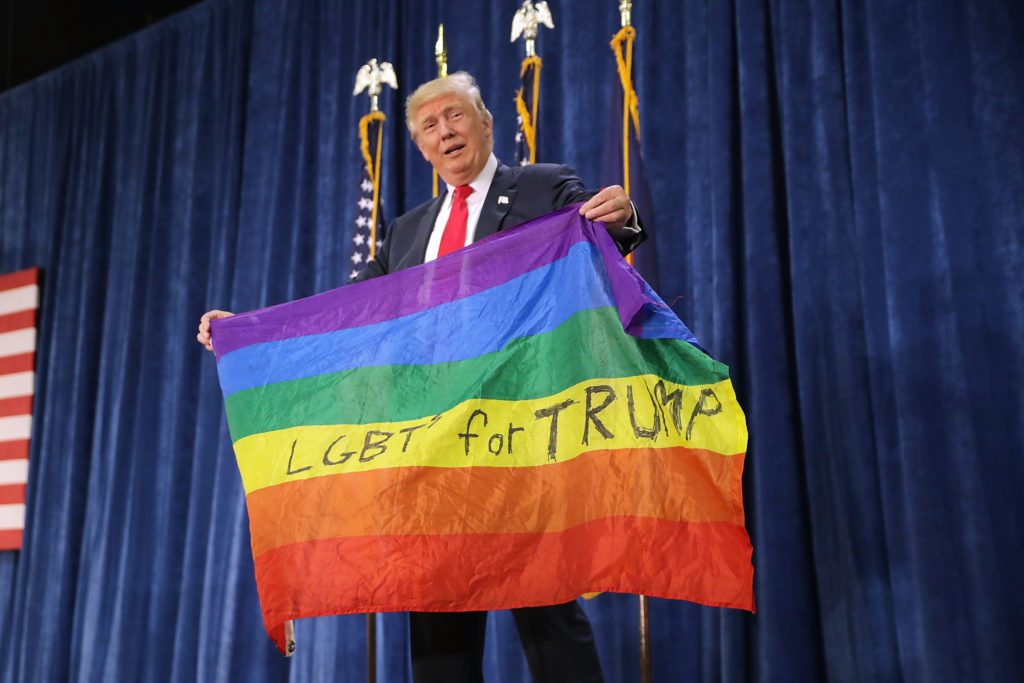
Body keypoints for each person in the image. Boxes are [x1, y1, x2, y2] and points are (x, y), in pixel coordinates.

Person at [198, 72, 646, 683]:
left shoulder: (542, 186)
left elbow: (598, 234)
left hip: (514, 440)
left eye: (455, 116)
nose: (446, 132)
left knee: (548, 617)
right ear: (420, 146)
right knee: (439, 631)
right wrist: (248, 329)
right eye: (429, 126)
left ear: (485, 122)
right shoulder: (407, 231)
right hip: (432, 451)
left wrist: (621, 217)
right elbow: (349, 311)